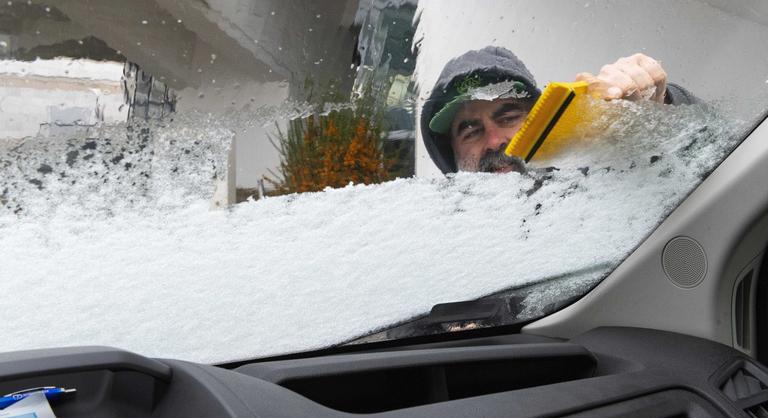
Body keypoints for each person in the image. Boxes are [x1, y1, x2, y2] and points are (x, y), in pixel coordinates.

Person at [420, 46, 697, 174]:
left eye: (508, 117)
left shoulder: (593, 180)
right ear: (451, 155)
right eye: (470, 131)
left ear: (542, 119)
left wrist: (655, 113)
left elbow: (696, 163)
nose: (495, 141)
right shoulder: (446, 248)